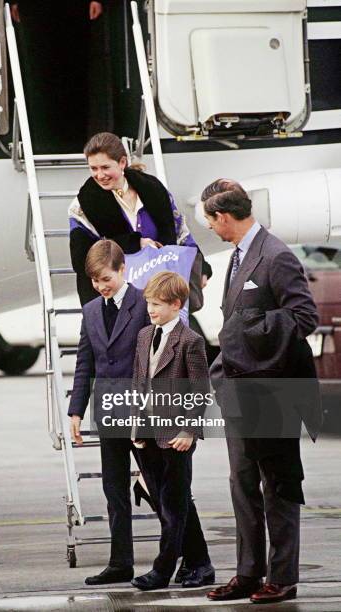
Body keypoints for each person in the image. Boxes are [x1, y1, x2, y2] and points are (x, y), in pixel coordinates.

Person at [202, 179, 322, 605]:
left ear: (224, 216)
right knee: (242, 483)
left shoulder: (276, 256)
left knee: (279, 485)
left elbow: (304, 317)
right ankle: (248, 573)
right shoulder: (237, 257)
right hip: (239, 389)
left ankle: (283, 577)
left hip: (273, 389)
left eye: (211, 222)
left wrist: (246, 332)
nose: (211, 230)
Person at [68, 239, 150, 585]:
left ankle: (193, 558)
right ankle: (120, 563)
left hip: (144, 412)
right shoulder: (90, 311)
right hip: (110, 412)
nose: (101, 286)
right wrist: (76, 411)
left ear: (122, 270)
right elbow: (84, 363)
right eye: (95, 281)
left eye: (106, 279)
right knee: (114, 491)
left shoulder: (145, 302)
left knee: (163, 489)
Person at [130, 271, 214, 591]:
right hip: (148, 432)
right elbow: (140, 384)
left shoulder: (190, 342)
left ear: (177, 305)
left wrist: (190, 430)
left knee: (174, 505)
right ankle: (200, 564)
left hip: (177, 435)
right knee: (171, 503)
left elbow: (199, 390)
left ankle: (161, 570)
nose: (151, 309)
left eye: (157, 304)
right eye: (149, 303)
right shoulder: (143, 336)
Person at [69, 131, 212, 306]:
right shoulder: (82, 205)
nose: (99, 175)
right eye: (94, 168)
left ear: (122, 162)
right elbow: (82, 258)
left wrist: (201, 267)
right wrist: (134, 244)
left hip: (160, 294)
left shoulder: (153, 190)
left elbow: (180, 232)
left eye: (105, 167)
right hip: (113, 300)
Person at [10, 1, 104, 152]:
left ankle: (75, 143)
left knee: (76, 72)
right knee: (39, 74)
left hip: (75, 9)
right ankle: (42, 142)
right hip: (34, 10)